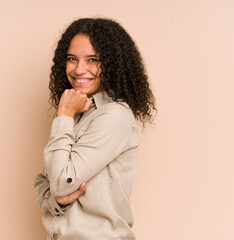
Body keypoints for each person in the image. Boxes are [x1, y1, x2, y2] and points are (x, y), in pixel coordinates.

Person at [34, 18, 156, 240]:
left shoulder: (114, 115)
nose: (79, 69)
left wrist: (64, 115)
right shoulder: (77, 114)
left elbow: (60, 183)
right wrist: (57, 201)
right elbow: (42, 184)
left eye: (93, 59)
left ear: (112, 63)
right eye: (72, 59)